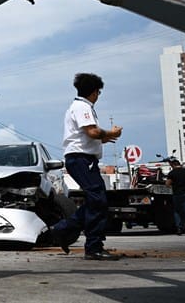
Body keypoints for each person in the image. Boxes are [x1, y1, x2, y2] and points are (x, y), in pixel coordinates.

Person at [51, 73, 123, 261]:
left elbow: (87, 136)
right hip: (82, 159)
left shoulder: (77, 106)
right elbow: (92, 132)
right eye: (98, 92)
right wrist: (110, 132)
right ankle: (92, 246)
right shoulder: (83, 107)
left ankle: (65, 231)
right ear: (94, 92)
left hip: (80, 158)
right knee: (98, 200)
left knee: (96, 200)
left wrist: (105, 138)